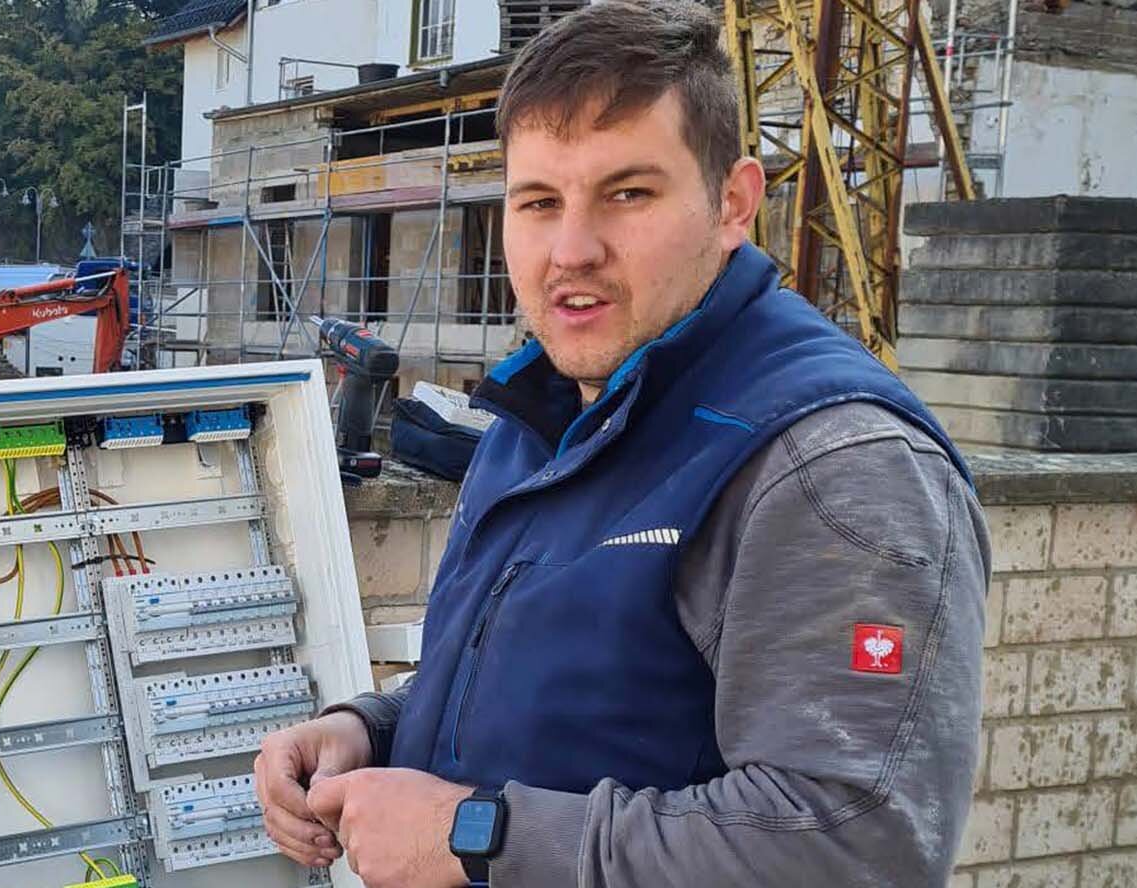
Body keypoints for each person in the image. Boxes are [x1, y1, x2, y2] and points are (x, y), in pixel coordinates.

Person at [252, 2, 989, 886]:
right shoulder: (550, 409)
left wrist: (476, 834)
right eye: (538, 202)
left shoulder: (829, 465)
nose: (572, 250)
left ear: (732, 204)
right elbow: (553, 688)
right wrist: (372, 729)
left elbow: (854, 847)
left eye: (627, 193)